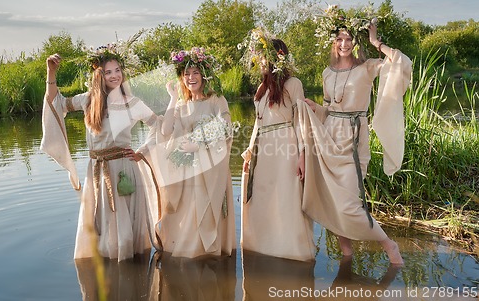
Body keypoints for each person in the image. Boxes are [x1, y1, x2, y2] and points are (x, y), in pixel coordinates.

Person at [299, 5, 411, 265]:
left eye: (349, 38)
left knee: (349, 203)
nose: (344, 43)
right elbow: (328, 109)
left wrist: (376, 42)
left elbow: (401, 64)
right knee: (333, 202)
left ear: (356, 41)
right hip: (329, 138)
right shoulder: (327, 73)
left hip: (353, 138)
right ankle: (347, 257)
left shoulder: (368, 67)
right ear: (333, 42)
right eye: (339, 38)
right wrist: (315, 108)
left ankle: (387, 243)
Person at [40, 43, 160, 262]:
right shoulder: (88, 100)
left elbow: (158, 125)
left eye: (117, 70)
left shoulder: (132, 103)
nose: (114, 76)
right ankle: (108, 268)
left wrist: (142, 152)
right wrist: (51, 72)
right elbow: (55, 104)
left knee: (125, 230)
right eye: (108, 72)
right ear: (99, 75)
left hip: (124, 168)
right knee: (103, 227)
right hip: (96, 169)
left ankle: (128, 273)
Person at [143, 47, 236, 258]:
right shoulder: (182, 104)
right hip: (187, 171)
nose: (191, 78)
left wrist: (198, 143)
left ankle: (208, 256)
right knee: (190, 215)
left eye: (195, 73)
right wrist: (173, 98)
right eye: (186, 74)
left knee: (204, 212)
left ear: (204, 74)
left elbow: (226, 127)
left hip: (211, 169)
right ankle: (191, 251)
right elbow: (166, 131)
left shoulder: (216, 100)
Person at [239, 28, 315, 261]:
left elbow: (301, 121)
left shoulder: (293, 84)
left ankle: (291, 250)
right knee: (263, 199)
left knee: (286, 199)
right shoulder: (261, 90)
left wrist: (303, 154)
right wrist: (250, 152)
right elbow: (257, 124)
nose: (259, 62)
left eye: (263, 58)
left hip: (285, 149)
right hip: (263, 150)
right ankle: (262, 247)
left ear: (276, 58)